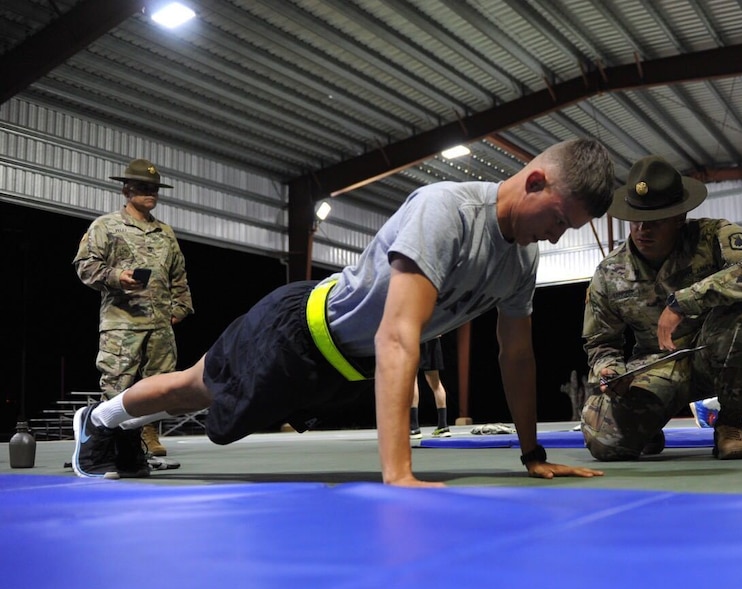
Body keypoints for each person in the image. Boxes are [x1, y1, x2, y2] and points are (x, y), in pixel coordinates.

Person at [71, 139, 615, 487]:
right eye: (560, 219)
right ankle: (98, 420)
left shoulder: (521, 258)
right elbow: (398, 336)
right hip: (294, 331)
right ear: (536, 181)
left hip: (342, 370)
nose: (557, 234)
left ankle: (117, 427)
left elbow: (516, 354)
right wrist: (398, 474)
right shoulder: (446, 211)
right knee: (194, 388)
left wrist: (532, 453)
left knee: (207, 400)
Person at [581, 155, 742, 461]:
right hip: (657, 368)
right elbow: (601, 343)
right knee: (605, 443)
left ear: (679, 217)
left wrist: (685, 300)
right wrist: (608, 370)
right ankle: (649, 425)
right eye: (636, 220)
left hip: (713, 353)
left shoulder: (713, 236)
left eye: (655, 222)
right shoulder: (610, 273)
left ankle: (729, 425)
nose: (642, 230)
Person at [73, 158, 194, 465]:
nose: (150, 193)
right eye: (142, 188)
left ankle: (145, 437)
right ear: (126, 190)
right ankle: (104, 442)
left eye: (153, 188)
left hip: (159, 324)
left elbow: (178, 273)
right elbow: (85, 266)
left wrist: (180, 307)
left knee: (161, 384)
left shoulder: (165, 232)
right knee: (117, 383)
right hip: (122, 322)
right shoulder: (105, 226)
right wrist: (116, 277)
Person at [410, 337, 451, 438]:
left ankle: (413, 427)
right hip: (433, 337)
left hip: (415, 337)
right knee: (436, 383)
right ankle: (443, 426)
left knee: (411, 380)